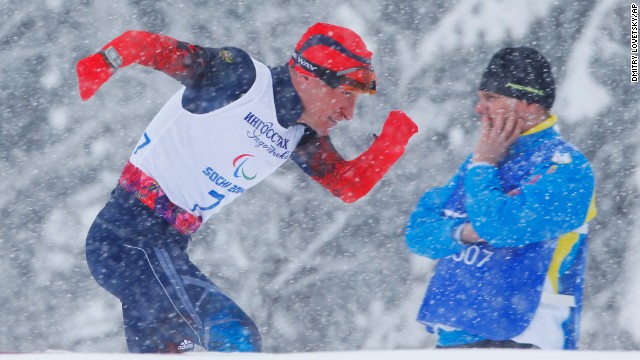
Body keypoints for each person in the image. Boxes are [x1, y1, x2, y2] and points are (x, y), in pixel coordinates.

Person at [77, 23, 418, 353]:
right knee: (234, 335)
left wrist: (391, 144)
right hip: (127, 241)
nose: (349, 113)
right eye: (345, 94)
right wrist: (103, 62)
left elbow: (347, 186)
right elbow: (151, 48)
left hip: (163, 248)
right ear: (306, 76)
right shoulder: (239, 77)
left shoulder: (300, 134)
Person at [404, 47, 596, 350]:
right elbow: (418, 233)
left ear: (530, 105)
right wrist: (464, 233)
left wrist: (483, 168)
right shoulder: (483, 158)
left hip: (526, 339)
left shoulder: (567, 167)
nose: (479, 109)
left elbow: (499, 227)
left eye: (490, 98)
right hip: (456, 336)